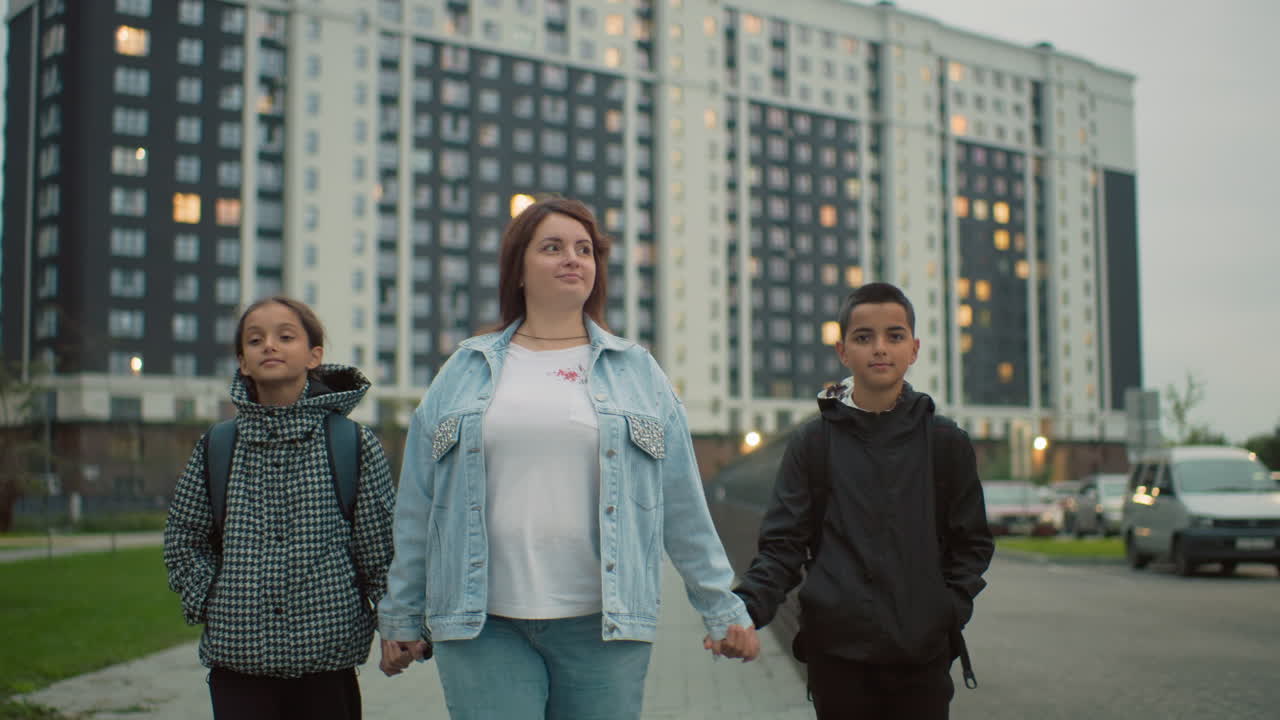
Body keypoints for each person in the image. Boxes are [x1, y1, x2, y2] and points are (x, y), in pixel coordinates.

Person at [377, 196, 759, 719]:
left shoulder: (637, 372)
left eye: (584, 249)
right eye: (552, 247)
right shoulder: (464, 369)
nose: (572, 259)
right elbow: (418, 506)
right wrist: (400, 614)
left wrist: (722, 609)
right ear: (518, 269)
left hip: (604, 625)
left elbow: (681, 501)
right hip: (480, 623)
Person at [724, 282, 993, 719]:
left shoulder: (945, 443)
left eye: (895, 335)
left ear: (915, 349)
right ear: (842, 352)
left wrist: (947, 611)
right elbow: (783, 545)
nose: (880, 348)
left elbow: (973, 544)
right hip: (838, 659)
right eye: (864, 337)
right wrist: (744, 609)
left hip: (921, 660)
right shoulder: (814, 443)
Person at [163, 297, 395, 720]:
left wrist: (398, 627)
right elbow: (183, 538)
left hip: (327, 663)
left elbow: (380, 552)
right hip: (238, 666)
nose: (269, 345)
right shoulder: (218, 446)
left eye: (285, 336)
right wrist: (212, 599)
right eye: (255, 340)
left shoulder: (352, 445)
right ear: (243, 362)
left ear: (314, 355)